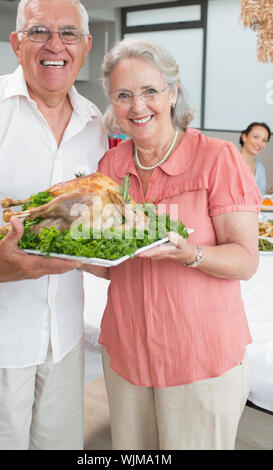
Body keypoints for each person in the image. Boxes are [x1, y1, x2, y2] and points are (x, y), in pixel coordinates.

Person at [96, 38, 262, 450]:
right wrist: (67, 253)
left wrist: (193, 255)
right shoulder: (111, 166)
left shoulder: (217, 158)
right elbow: (111, 262)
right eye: (124, 95)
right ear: (112, 104)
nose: (138, 107)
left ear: (172, 93)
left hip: (198, 358)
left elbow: (245, 260)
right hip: (127, 353)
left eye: (150, 91)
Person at [0, 0, 108, 450]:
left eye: (69, 33)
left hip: (64, 340)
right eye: (39, 32)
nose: (56, 45)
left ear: (86, 46)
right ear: (17, 44)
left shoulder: (95, 124)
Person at [239, 122, 271, 195]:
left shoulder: (260, 168)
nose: (259, 143)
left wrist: (268, 196)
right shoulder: (229, 162)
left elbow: (260, 197)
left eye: (264, 140)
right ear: (244, 137)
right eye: (256, 137)